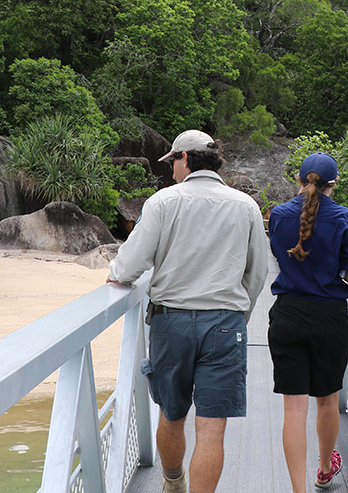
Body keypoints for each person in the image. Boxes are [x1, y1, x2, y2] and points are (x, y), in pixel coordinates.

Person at [107, 129, 269, 493]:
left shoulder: (163, 202)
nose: (171, 171)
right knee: (212, 428)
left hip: (172, 321)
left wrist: (115, 274)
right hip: (225, 325)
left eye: (172, 163)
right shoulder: (245, 206)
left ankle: (173, 482)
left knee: (171, 412)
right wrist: (236, 316)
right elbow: (257, 273)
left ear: (184, 159)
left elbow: (131, 262)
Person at [266, 152, 348, 492]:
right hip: (328, 319)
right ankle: (324, 469)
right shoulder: (346, 218)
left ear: (299, 179)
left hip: (288, 314)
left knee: (294, 407)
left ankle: (298, 489)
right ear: (332, 184)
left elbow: (281, 257)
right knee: (327, 398)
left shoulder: (278, 215)